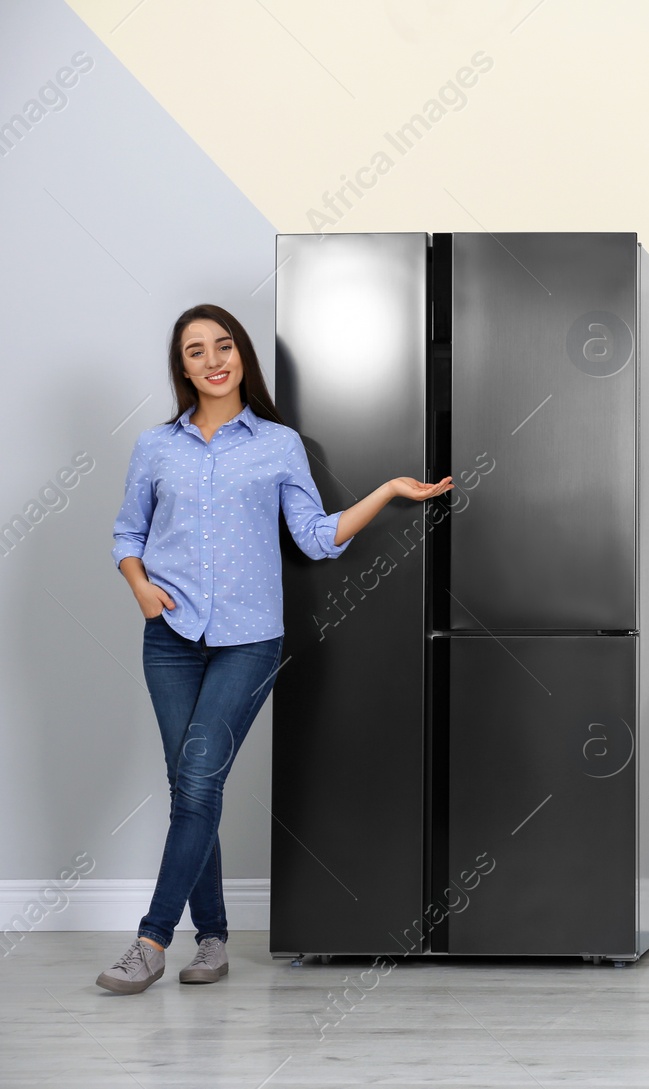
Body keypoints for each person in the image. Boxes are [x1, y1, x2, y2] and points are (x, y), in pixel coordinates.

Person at [96, 303, 452, 994]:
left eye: (222, 345)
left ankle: (150, 939)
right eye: (195, 351)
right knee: (193, 788)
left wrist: (384, 491)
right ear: (183, 367)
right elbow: (125, 534)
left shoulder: (279, 444)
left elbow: (316, 536)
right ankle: (217, 938)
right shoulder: (155, 446)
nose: (212, 360)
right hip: (169, 636)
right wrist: (139, 587)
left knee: (197, 781)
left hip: (250, 637)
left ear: (242, 355)